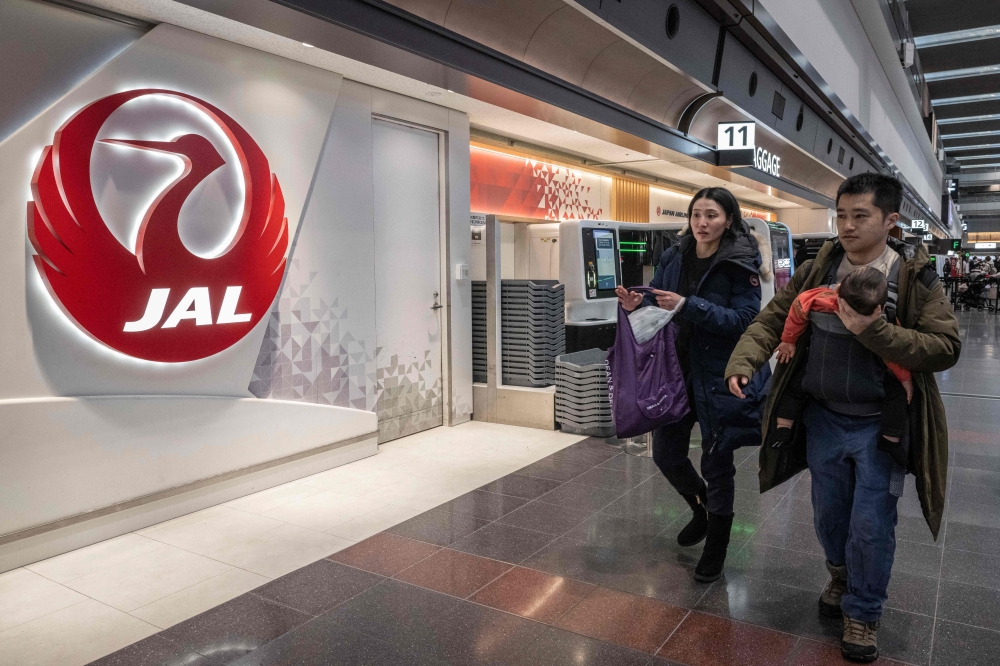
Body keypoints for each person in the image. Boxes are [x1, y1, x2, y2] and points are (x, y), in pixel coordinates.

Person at [724, 173, 959, 663]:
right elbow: (775, 317)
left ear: (890, 221)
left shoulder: (913, 278)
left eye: (861, 216)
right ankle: (841, 575)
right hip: (823, 419)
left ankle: (864, 612)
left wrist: (876, 332)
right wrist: (745, 359)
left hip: (882, 425)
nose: (847, 226)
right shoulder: (820, 267)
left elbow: (945, 346)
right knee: (829, 517)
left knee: (871, 524)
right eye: (842, 214)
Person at [615, 187, 769, 583]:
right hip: (676, 373)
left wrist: (688, 305)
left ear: (729, 220)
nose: (702, 223)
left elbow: (744, 321)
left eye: (712, 215)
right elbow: (659, 307)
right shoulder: (674, 255)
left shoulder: (740, 262)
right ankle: (700, 508)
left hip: (721, 375)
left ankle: (716, 546)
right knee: (666, 455)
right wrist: (638, 305)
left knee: (717, 464)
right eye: (697, 214)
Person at [770, 267, 913, 469]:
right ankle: (890, 440)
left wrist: (788, 340)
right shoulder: (882, 321)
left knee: (794, 388)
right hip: (868, 383)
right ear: (879, 308)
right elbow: (891, 355)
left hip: (818, 374)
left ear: (837, 290)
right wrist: (905, 378)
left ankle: (783, 427)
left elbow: (798, 306)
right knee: (896, 395)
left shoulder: (819, 299)